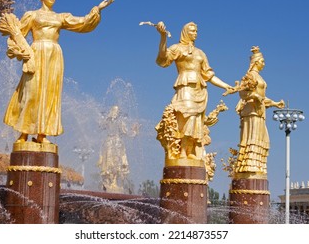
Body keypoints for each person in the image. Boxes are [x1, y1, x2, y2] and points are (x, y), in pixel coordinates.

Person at [2, 0, 114, 144]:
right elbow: (17, 34)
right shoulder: (32, 15)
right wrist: (19, 51)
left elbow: (82, 23)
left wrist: (97, 9)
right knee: (31, 92)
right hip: (36, 53)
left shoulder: (60, 17)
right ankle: (24, 133)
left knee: (49, 94)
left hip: (54, 56)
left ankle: (42, 134)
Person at [155, 21, 235, 160]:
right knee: (185, 116)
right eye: (192, 31)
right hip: (185, 86)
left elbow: (209, 75)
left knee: (196, 120)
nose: (195, 33)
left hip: (200, 89)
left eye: (196, 31)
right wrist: (163, 37)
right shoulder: (178, 48)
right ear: (185, 32)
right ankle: (181, 151)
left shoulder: (201, 53)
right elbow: (163, 58)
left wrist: (225, 86)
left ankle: (189, 149)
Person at [235, 46, 284, 174]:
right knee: (252, 136)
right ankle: (248, 165)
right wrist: (254, 96)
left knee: (263, 138)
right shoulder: (249, 76)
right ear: (256, 62)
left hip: (260, 111)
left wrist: (275, 104)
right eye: (262, 61)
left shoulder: (260, 78)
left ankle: (258, 166)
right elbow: (242, 93)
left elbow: (262, 98)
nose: (264, 64)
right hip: (251, 111)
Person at [97, 105, 139, 192]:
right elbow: (126, 133)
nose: (115, 113)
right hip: (115, 144)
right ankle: (111, 183)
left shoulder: (111, 121)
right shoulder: (115, 122)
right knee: (111, 163)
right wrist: (135, 131)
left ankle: (113, 183)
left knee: (114, 163)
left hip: (110, 144)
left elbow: (100, 126)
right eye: (115, 111)